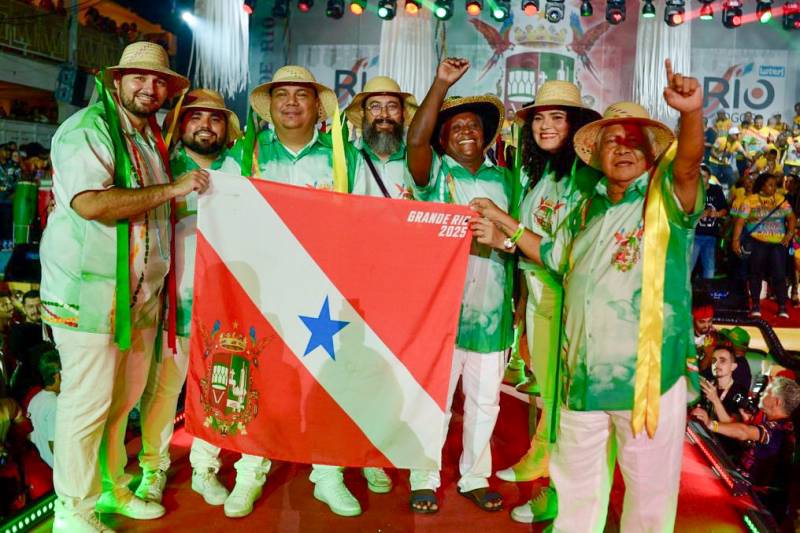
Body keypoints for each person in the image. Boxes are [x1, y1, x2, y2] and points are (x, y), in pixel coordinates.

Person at [471, 59, 704, 531]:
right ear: (595, 152)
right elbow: (551, 254)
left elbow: (687, 166)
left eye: (633, 141)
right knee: (576, 491)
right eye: (612, 141)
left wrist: (691, 114)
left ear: (651, 154)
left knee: (648, 501)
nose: (622, 149)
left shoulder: (665, 203)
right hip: (579, 380)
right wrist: (503, 226)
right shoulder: (583, 211)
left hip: (645, 383)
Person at [39, 42, 206, 532]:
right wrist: (173, 189)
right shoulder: (87, 129)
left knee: (121, 403)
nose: (149, 88)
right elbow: (91, 203)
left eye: (158, 81)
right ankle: (73, 510)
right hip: (89, 297)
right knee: (87, 404)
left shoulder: (147, 137)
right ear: (116, 81)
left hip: (138, 298)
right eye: (138, 78)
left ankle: (112, 487)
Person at [222, 66, 379, 518]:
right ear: (270, 106)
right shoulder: (245, 154)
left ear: (317, 105)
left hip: (323, 295)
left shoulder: (344, 157)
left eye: (301, 95)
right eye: (282, 95)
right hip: (263, 293)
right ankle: (251, 472)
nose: (291, 103)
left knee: (328, 383)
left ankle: (328, 474)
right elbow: (223, 218)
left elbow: (369, 221)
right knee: (260, 381)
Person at [473, 81, 601, 524]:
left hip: (566, 301)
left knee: (567, 403)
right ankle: (543, 462)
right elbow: (533, 241)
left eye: (557, 117)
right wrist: (505, 241)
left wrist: (503, 225)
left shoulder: (585, 179)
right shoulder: (546, 172)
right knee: (549, 392)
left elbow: (560, 253)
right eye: (539, 118)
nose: (545, 126)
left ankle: (560, 497)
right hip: (539, 295)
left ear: (577, 125)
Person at [131, 89, 249, 515]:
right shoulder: (160, 166)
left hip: (226, 305)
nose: (205, 126)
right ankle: (153, 469)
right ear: (181, 124)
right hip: (171, 304)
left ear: (226, 128)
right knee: (164, 391)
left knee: (217, 390)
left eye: (215, 119)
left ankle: (204, 467)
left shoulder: (240, 169)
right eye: (196, 117)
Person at [405, 57, 511, 514]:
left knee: (486, 403)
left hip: (492, 314)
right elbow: (415, 140)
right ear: (443, 138)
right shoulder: (433, 176)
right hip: (441, 314)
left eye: (474, 126)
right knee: (435, 401)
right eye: (456, 127)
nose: (467, 132)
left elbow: (519, 238)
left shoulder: (506, 179)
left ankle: (474, 476)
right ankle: (424, 477)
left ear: (486, 136)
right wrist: (441, 83)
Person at [695, 377, 799, 519]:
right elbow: (735, 428)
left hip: (750, 499)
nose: (761, 393)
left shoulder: (779, 429)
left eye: (767, 392)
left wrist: (711, 424)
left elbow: (743, 432)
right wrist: (715, 400)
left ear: (777, 402)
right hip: (741, 485)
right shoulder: (776, 422)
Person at [732, 172, 796, 318]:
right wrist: (735, 241)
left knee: (779, 275)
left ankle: (782, 306)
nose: (774, 188)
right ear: (762, 186)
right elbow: (740, 222)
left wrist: (789, 235)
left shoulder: (780, 199)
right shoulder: (750, 200)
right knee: (755, 273)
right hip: (757, 242)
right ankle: (755, 305)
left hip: (777, 243)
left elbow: (791, 218)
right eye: (770, 185)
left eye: (775, 185)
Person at [345, 76, 417, 199]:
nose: (384, 114)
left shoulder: (415, 159)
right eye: (375, 107)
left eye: (392, 106)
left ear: (403, 113)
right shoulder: (348, 156)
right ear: (363, 114)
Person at [692, 164, 728, 282]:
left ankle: (707, 289)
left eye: (703, 176)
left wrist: (716, 214)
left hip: (711, 234)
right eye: (699, 176)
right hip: (694, 234)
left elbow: (725, 209)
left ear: (709, 177)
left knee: (709, 267)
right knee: (689, 265)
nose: (701, 179)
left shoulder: (716, 190)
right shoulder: (691, 190)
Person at [26, 348, 60, 468]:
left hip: (42, 465)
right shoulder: (55, 404)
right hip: (56, 468)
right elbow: (54, 445)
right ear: (58, 376)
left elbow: (30, 436)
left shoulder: (35, 399)